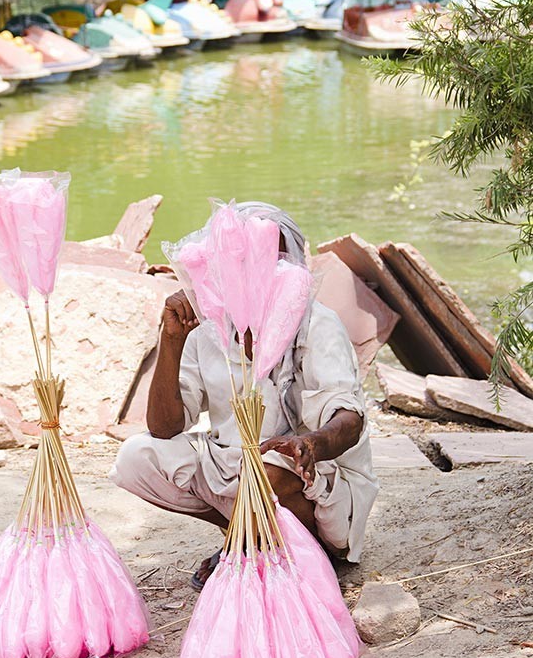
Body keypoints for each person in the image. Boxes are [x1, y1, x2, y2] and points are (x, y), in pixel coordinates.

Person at [110, 201, 378, 589]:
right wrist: (171, 339)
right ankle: (252, 535)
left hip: (308, 473)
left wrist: (311, 444)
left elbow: (348, 419)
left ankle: (268, 544)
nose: (261, 270)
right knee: (136, 457)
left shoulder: (318, 324)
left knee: (268, 471)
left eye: (274, 260)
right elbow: (165, 428)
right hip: (234, 470)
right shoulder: (209, 326)